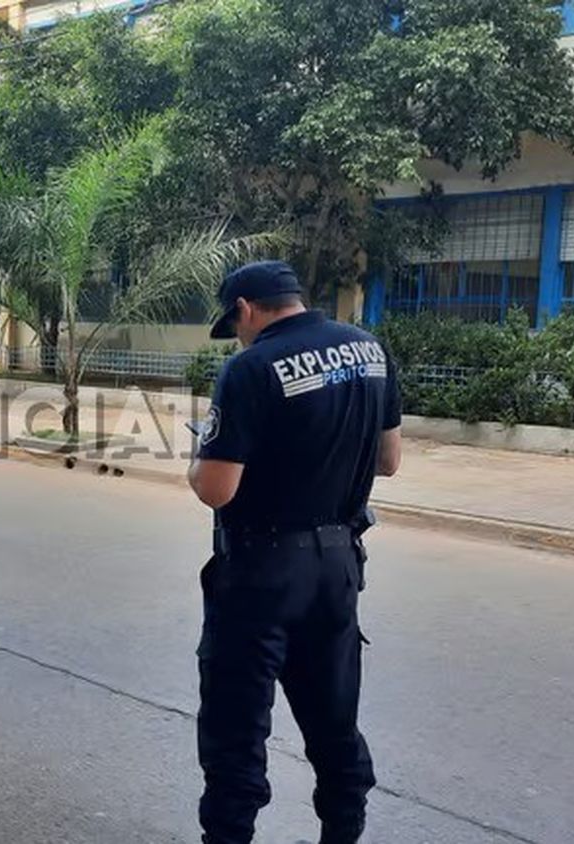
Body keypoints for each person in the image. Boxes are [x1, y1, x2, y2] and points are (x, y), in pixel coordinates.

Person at [188, 261, 402, 844]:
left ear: (246, 310)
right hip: (337, 568)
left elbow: (216, 488)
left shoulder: (250, 368)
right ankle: (342, 832)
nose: (238, 335)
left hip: (261, 573)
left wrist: (197, 457)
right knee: (334, 720)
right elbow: (389, 460)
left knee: (237, 728)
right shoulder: (369, 349)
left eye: (235, 324)